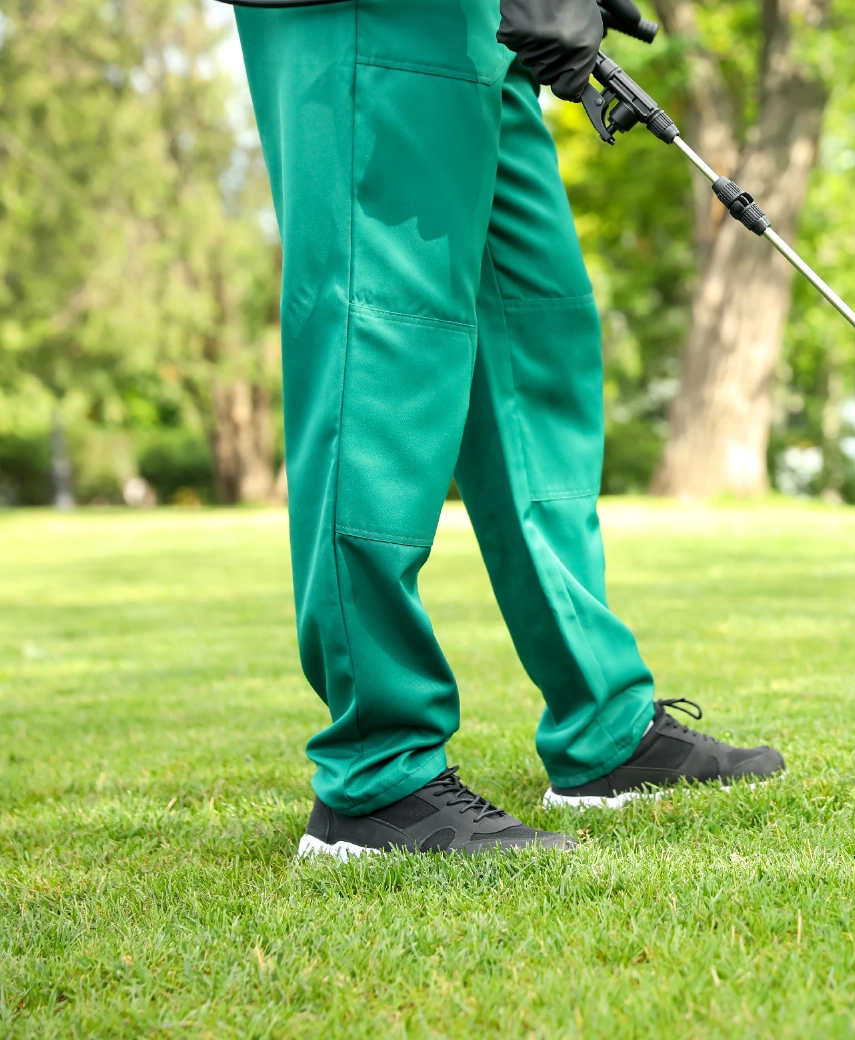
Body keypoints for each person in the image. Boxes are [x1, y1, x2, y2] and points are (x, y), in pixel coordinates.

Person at [225, 0, 785, 858]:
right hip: (366, 12)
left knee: (535, 331)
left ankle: (603, 729)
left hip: (479, 31)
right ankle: (376, 777)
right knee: (384, 335)